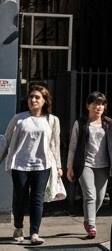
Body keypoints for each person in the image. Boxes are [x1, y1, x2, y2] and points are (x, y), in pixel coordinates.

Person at [1, 84, 62, 245]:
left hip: (43, 166)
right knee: (20, 198)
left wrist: (59, 166)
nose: (33, 100)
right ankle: (18, 227)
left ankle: (35, 233)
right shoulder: (19, 118)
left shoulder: (52, 120)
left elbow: (55, 145)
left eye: (37, 97)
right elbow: (6, 140)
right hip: (20, 165)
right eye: (31, 97)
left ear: (44, 101)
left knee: (37, 199)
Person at [67, 91, 112, 240]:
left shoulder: (109, 123)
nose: (99, 107)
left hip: (104, 165)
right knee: (89, 194)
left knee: (99, 197)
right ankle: (92, 225)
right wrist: (70, 166)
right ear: (88, 106)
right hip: (85, 164)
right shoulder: (81, 123)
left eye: (102, 104)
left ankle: (87, 218)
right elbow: (72, 147)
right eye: (95, 104)